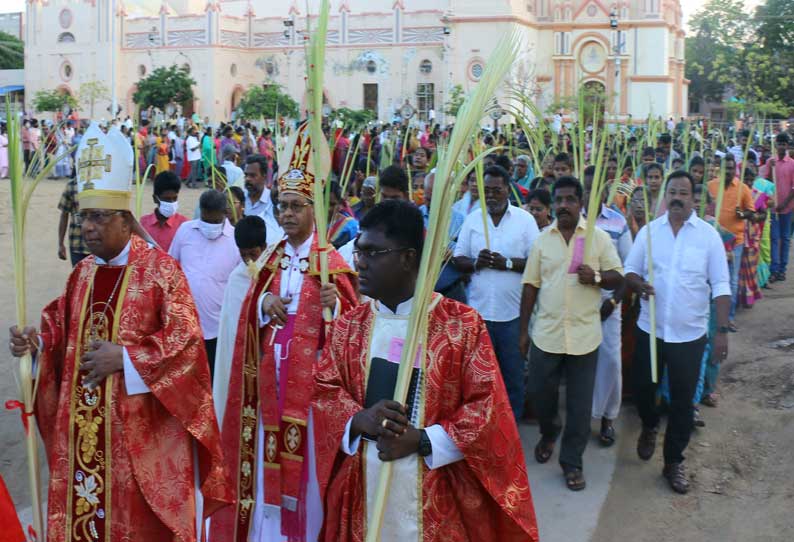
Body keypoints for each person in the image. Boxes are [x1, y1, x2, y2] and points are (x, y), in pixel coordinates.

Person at [7, 123, 233, 539]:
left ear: (126, 220)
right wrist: (36, 344)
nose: (87, 228)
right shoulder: (82, 273)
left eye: (97, 217)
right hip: (83, 437)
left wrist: (127, 360)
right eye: (83, 217)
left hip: (138, 443)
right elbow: (61, 332)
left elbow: (186, 345)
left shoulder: (161, 272)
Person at [313, 200, 539, 542]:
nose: (359, 262)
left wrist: (422, 440)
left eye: (373, 252)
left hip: (435, 491)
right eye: (358, 251)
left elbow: (487, 410)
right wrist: (359, 420)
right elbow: (324, 390)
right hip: (364, 488)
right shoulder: (349, 326)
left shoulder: (461, 326)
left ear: (407, 257)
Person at [210, 124, 358, 542]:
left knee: (308, 474)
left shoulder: (333, 265)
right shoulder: (270, 261)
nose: (287, 214)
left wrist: (338, 306)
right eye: (282, 206)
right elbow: (243, 320)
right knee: (265, 467)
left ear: (314, 209)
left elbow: (355, 330)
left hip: (311, 396)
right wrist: (260, 307)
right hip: (269, 392)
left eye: (296, 206)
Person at [625, 170, 731, 494]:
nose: (677, 197)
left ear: (694, 198)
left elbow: (722, 286)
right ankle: (648, 424)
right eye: (672, 191)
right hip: (651, 330)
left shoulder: (708, 237)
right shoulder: (649, 233)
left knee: (684, 402)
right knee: (644, 389)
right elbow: (629, 270)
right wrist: (639, 284)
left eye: (683, 192)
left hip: (690, 336)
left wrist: (723, 332)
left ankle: (674, 461)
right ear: (665, 195)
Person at [519, 176, 624, 491]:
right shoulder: (541, 240)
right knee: (540, 394)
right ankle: (550, 431)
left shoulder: (599, 238)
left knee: (579, 407)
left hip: (584, 336)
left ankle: (572, 462)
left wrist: (596, 277)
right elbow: (530, 285)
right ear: (553, 204)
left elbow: (618, 277)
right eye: (559, 200)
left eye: (570, 200)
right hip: (546, 334)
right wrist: (523, 331)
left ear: (581, 204)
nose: (564, 205)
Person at [453, 165, 540, 419]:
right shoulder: (473, 220)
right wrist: (476, 262)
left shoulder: (525, 221)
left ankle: (510, 426)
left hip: (512, 316)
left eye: (496, 191)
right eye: (486, 191)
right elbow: (459, 258)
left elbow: (537, 260)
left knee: (513, 376)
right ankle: (484, 423)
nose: (491, 196)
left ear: (507, 189)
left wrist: (508, 263)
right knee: (480, 376)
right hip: (479, 314)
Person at [583, 166, 633, 447]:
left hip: (608, 303)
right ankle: (583, 416)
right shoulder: (572, 221)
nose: (591, 193)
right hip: (578, 303)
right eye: (586, 187)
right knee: (581, 363)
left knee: (611, 361)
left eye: (595, 187)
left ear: (605, 189)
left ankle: (607, 418)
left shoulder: (617, 221)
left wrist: (613, 301)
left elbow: (628, 269)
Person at [169, 190, 240, 376]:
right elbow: (170, 268)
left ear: (225, 213)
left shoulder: (235, 239)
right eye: (206, 221)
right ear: (200, 212)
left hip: (218, 329)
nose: (210, 226)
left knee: (214, 379)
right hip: (185, 326)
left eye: (215, 222)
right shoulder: (185, 231)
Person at [212, 215, 269, 429]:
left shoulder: (275, 272)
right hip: (243, 360)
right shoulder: (238, 278)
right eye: (243, 255)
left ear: (264, 246)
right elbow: (233, 327)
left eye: (253, 254)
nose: (249, 261)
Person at [707, 155, 755, 330]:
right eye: (725, 168)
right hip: (713, 240)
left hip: (736, 241)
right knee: (713, 279)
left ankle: (729, 318)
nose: (728, 171)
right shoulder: (710, 186)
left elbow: (751, 211)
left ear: (735, 169)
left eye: (731, 168)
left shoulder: (742, 188)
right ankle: (713, 315)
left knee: (732, 280)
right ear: (720, 169)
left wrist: (742, 215)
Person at [760, 133, 794, 283]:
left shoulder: (792, 164)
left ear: (787, 146)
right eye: (779, 144)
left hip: (787, 208)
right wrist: (770, 167)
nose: (781, 146)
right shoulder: (770, 162)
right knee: (774, 238)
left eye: (784, 144)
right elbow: (763, 181)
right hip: (773, 208)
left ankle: (782, 269)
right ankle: (774, 269)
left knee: (785, 238)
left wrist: (785, 203)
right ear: (776, 146)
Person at [737, 166, 770, 307]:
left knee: (750, 267)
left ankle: (750, 296)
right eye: (746, 179)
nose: (749, 182)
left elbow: (764, 213)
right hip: (738, 235)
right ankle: (738, 298)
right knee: (739, 268)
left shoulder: (758, 194)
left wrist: (755, 217)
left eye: (751, 180)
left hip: (752, 236)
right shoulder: (737, 194)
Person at [140, 171, 190, 252]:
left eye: (174, 198)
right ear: (155, 199)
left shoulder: (184, 225)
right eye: (166, 199)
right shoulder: (143, 224)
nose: (171, 203)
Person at [244, 153, 284, 244]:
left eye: (252, 175)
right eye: (246, 175)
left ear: (264, 175)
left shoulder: (274, 201)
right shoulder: (238, 200)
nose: (248, 179)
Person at [57, 176, 91, 266]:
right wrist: (60, 244)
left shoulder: (104, 185)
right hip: (78, 245)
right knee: (78, 277)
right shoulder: (72, 185)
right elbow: (64, 215)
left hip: (100, 246)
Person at [327, 181, 359, 249]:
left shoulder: (351, 227)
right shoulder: (311, 223)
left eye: (332, 204)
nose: (328, 209)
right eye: (325, 203)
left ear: (340, 204)